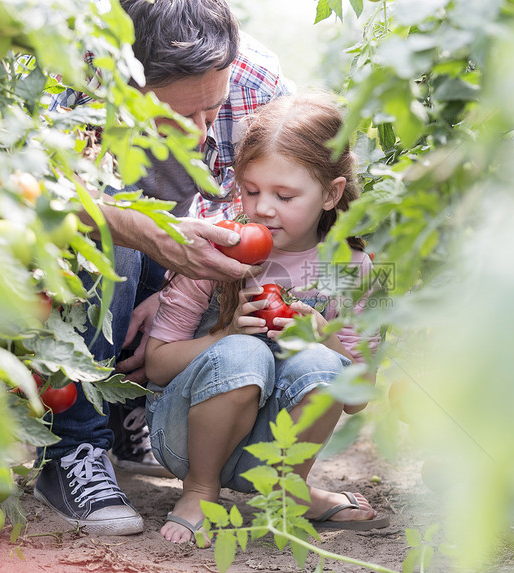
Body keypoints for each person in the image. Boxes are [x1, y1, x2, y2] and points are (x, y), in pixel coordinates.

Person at [34, 0, 289, 536]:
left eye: (211, 111)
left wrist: (175, 286)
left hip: (187, 272)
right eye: (177, 118)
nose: (200, 133)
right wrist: (152, 237)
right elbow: (39, 196)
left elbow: (299, 209)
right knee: (104, 224)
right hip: (109, 253)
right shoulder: (76, 82)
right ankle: (75, 447)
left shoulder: (259, 86)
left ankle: (135, 418)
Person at [143, 94, 389, 543]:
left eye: (285, 195)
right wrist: (229, 332)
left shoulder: (351, 269)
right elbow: (156, 364)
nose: (263, 208)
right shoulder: (216, 246)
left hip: (273, 448)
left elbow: (357, 397)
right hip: (184, 435)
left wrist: (324, 338)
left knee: (324, 365)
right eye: (251, 191)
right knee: (242, 351)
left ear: (331, 193)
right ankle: (201, 489)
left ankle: (285, 491)